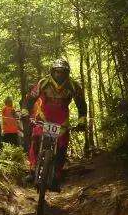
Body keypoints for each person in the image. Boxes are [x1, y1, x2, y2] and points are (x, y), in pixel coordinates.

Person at [21, 58, 87, 191]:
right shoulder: (44, 82)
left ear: (66, 73)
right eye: (56, 72)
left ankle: (56, 176)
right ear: (52, 72)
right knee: (37, 137)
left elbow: (81, 103)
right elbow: (30, 98)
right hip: (45, 115)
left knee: (62, 144)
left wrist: (82, 120)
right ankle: (33, 169)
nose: (59, 75)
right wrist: (25, 111)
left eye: (62, 73)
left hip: (62, 118)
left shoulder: (73, 85)